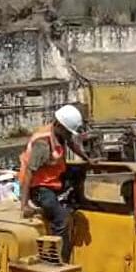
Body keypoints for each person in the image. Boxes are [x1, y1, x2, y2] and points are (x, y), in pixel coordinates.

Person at [19, 104, 93, 262]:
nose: (68, 135)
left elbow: (72, 144)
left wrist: (88, 159)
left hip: (54, 180)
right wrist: (24, 205)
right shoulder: (43, 142)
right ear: (59, 125)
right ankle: (59, 260)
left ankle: (74, 201)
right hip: (39, 187)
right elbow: (29, 172)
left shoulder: (60, 134)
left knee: (79, 171)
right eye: (67, 131)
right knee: (61, 219)